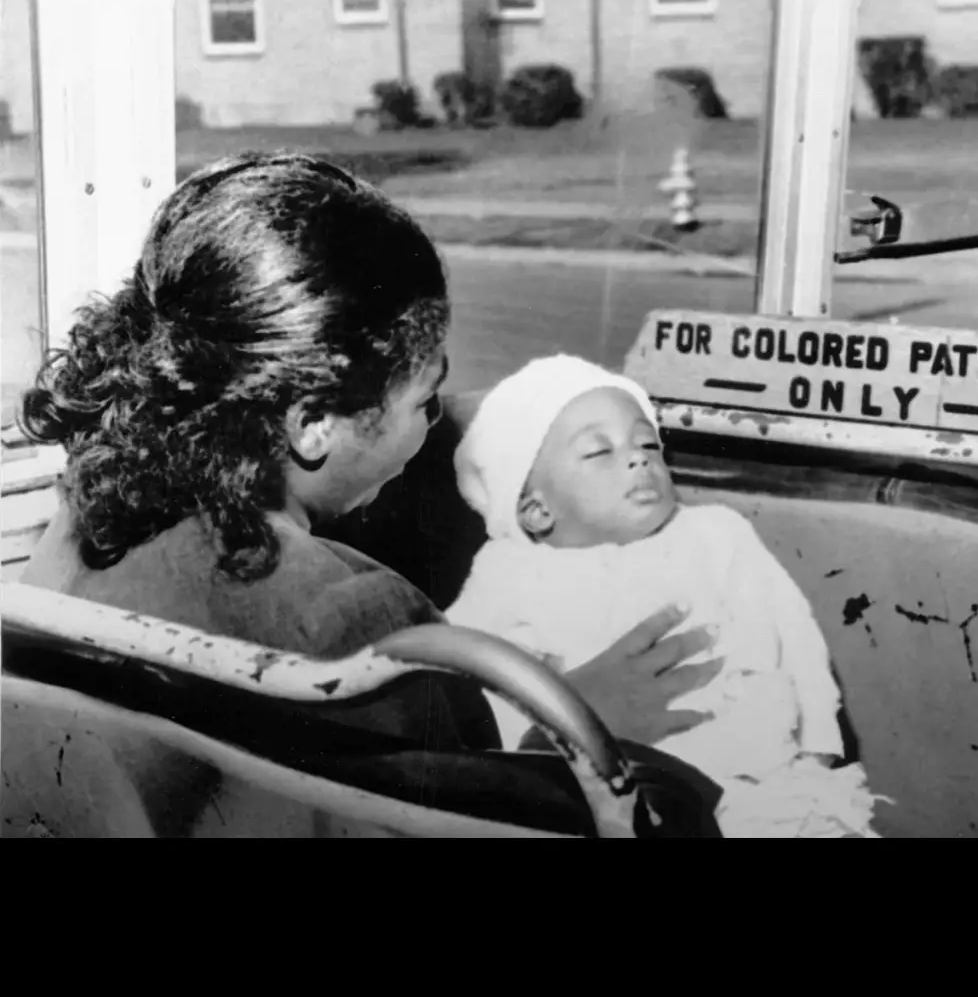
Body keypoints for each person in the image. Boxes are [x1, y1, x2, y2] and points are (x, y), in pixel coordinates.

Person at [15, 152, 725, 838]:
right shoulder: (361, 622)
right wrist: (570, 732)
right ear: (315, 423)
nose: (436, 420)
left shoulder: (81, 519)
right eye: (425, 397)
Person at [447, 354, 890, 838]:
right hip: (612, 799)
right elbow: (471, 686)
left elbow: (796, 638)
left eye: (647, 443)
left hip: (768, 786)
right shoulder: (508, 573)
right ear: (535, 510)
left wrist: (818, 748)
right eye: (599, 452)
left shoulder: (718, 534)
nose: (638, 458)